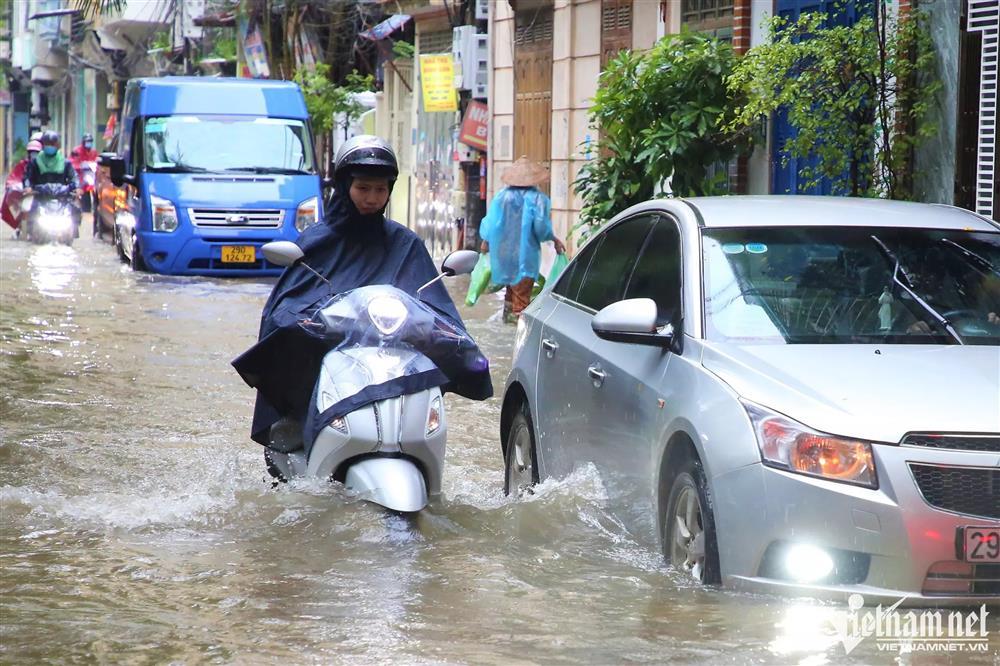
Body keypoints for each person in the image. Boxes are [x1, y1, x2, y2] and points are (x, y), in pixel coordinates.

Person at [232, 135, 493, 450]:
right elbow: (284, 308)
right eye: (363, 188)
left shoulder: (406, 244)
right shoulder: (316, 243)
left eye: (380, 189)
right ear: (345, 187)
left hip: (392, 363)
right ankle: (299, 426)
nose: (372, 198)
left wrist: (446, 335)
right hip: (331, 362)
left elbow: (434, 307)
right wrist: (308, 322)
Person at [478, 156, 566, 321]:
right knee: (522, 302)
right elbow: (541, 229)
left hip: (503, 255)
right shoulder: (538, 199)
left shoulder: (501, 197)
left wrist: (486, 242)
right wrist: (554, 240)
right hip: (525, 256)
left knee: (510, 296)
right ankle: (517, 339)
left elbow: (491, 225)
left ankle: (505, 328)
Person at [24, 131, 81, 238]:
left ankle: (74, 232)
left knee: (75, 207)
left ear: (57, 145)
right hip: (42, 197)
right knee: (30, 208)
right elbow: (28, 177)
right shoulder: (35, 162)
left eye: (52, 143)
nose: (50, 146)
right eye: (47, 143)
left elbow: (74, 177)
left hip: (62, 198)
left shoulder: (65, 163)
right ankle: (30, 232)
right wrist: (28, 187)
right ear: (43, 145)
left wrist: (77, 187)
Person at [2, 139, 41, 235]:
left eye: (36, 152)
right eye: (32, 152)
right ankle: (22, 228)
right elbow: (14, 178)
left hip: (41, 193)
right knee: (24, 207)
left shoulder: (44, 165)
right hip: (27, 193)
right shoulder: (23, 165)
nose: (34, 154)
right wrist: (16, 186)